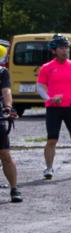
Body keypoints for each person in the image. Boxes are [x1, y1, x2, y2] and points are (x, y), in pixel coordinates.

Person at [38, 34, 71, 180]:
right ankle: (48, 168)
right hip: (53, 108)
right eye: (61, 47)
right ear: (54, 50)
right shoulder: (47, 68)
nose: (65, 50)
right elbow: (40, 86)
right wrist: (49, 99)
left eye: (66, 47)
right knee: (52, 139)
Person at [0, 45, 18, 201]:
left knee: (5, 154)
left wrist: (7, 108)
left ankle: (14, 189)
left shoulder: (2, 72)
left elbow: (6, 91)